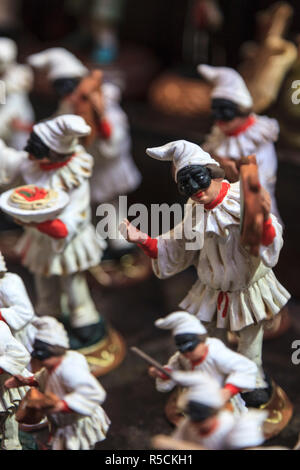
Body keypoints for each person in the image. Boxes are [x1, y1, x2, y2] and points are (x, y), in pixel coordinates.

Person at [120, 139, 290, 406]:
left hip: (247, 289)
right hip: (212, 288)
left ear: (212, 172)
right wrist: (144, 240)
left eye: (197, 178)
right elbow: (179, 243)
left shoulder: (242, 198)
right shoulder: (193, 209)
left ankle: (251, 380)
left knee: (249, 339)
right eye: (184, 184)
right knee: (211, 337)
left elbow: (268, 238)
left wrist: (265, 221)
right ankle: (215, 378)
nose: (194, 189)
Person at [0, 115, 107, 346]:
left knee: (73, 283)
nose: (29, 156)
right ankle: (49, 316)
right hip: (39, 239)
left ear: (54, 153)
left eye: (35, 151)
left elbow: (76, 214)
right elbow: (8, 160)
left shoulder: (75, 174)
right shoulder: (31, 162)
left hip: (68, 241)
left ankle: (84, 320)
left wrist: (48, 224)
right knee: (43, 279)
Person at [5, 317, 110, 450]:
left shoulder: (69, 369)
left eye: (41, 350)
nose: (37, 355)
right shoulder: (51, 368)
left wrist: (62, 405)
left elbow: (95, 393)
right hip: (61, 422)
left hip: (76, 423)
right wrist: (27, 381)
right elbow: (43, 378)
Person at [198, 65, 281, 220]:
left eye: (225, 110)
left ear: (241, 110)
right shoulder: (219, 133)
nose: (218, 117)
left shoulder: (258, 138)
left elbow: (260, 182)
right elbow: (205, 155)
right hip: (216, 206)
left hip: (250, 210)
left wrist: (235, 171)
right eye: (215, 110)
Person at [149, 311, 257, 414]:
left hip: (220, 399)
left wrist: (229, 390)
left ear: (202, 341)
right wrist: (162, 373)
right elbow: (173, 369)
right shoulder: (181, 357)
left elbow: (245, 367)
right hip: (196, 399)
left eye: (191, 348)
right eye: (182, 349)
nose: (187, 353)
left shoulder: (217, 353)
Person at [170, 371, 267, 450]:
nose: (196, 424)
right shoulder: (187, 425)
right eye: (194, 420)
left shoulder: (229, 426)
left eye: (201, 419)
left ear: (214, 414)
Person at [0, 320, 31, 450]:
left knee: (8, 416)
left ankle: (11, 444)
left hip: (4, 383)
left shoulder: (1, 329)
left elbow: (21, 355)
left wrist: (2, 364)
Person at [0, 38, 34, 150]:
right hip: (5, 114)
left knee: (21, 147)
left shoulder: (21, 73)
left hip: (18, 117)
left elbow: (12, 105)